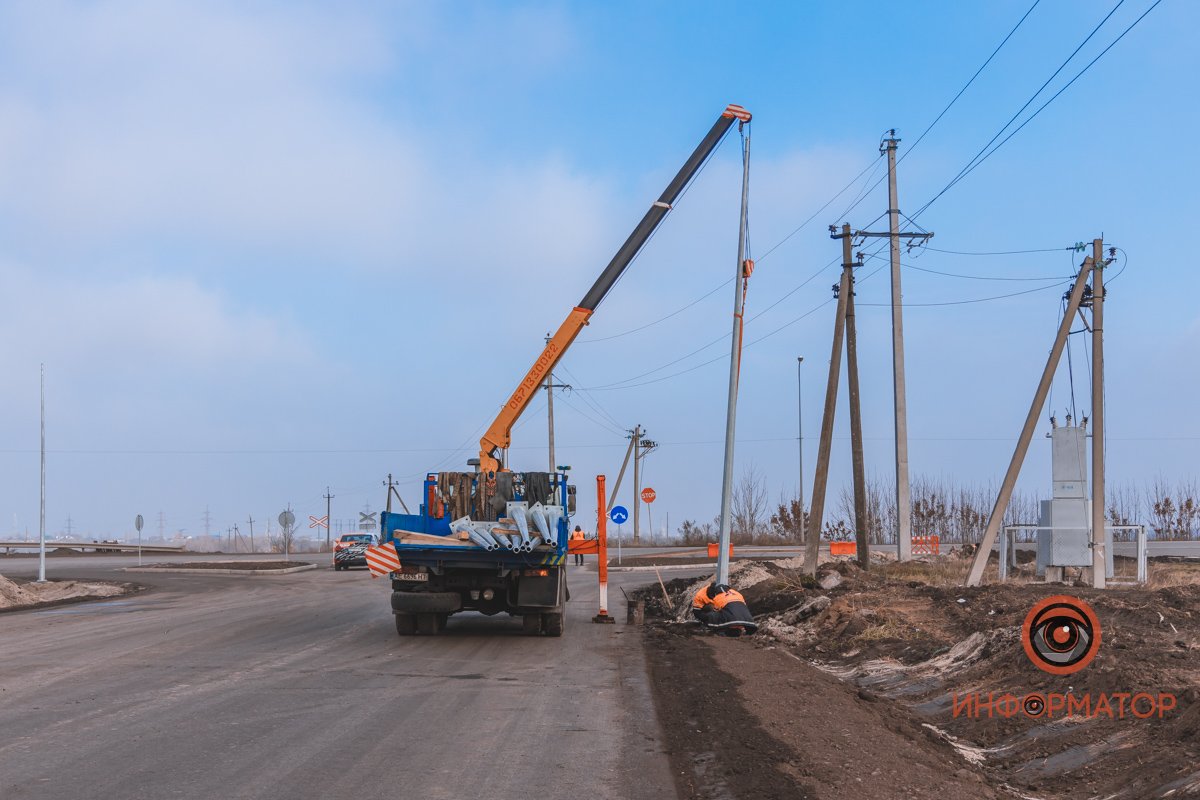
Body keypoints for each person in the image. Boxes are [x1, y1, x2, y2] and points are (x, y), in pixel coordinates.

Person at [691, 582, 757, 636]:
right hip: (748, 620)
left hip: (731, 620)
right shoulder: (737, 594)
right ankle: (738, 629)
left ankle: (721, 629)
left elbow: (716, 613)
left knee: (714, 615)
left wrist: (708, 622)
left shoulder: (718, 598)